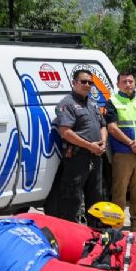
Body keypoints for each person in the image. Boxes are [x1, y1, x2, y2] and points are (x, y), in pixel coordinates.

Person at [49, 69, 108, 223]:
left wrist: (103, 142)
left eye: (90, 82)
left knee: (96, 196)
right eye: (83, 81)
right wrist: (90, 146)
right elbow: (65, 132)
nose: (87, 85)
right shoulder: (67, 104)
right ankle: (70, 232)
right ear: (74, 83)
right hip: (77, 157)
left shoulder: (93, 104)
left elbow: (103, 125)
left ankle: (95, 231)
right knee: (72, 198)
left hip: (96, 155)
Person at [105, 72, 136, 232]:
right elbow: (112, 127)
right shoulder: (112, 101)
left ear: (135, 83)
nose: (128, 84)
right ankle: (116, 225)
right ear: (118, 84)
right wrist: (131, 143)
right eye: (124, 82)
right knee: (119, 189)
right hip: (122, 152)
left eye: (131, 81)